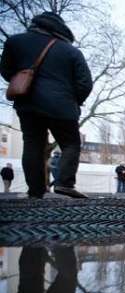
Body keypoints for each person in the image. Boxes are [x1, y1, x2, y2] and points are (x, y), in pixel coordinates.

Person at [0, 12, 93, 199]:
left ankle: (35, 191)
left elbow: (7, 71)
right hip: (63, 105)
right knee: (70, 144)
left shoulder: (15, 42)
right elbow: (85, 83)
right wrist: (76, 101)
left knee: (33, 144)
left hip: (28, 103)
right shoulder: (70, 51)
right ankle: (64, 183)